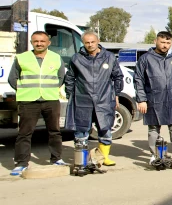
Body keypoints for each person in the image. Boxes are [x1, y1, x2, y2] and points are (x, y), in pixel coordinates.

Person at [8, 31, 66, 176]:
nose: (39, 44)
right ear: (32, 42)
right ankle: (21, 163)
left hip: (50, 99)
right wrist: (25, 90)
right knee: (24, 133)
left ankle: (56, 159)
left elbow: (61, 77)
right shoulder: (22, 58)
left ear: (48, 43)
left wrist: (49, 89)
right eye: (36, 41)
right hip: (28, 100)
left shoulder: (56, 58)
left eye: (42, 41)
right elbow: (12, 78)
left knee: (54, 132)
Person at [134, 31, 172, 164]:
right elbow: (138, 80)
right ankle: (154, 154)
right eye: (162, 42)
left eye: (168, 43)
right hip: (153, 99)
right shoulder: (146, 59)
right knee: (153, 127)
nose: (165, 45)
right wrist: (142, 99)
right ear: (155, 41)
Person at [64, 31, 123, 166]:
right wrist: (70, 95)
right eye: (87, 42)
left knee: (105, 129)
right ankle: (82, 158)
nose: (90, 45)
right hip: (82, 99)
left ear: (98, 41)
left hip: (104, 99)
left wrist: (116, 94)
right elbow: (70, 78)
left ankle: (103, 157)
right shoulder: (76, 58)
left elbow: (117, 76)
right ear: (83, 43)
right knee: (81, 131)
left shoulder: (109, 57)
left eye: (92, 42)